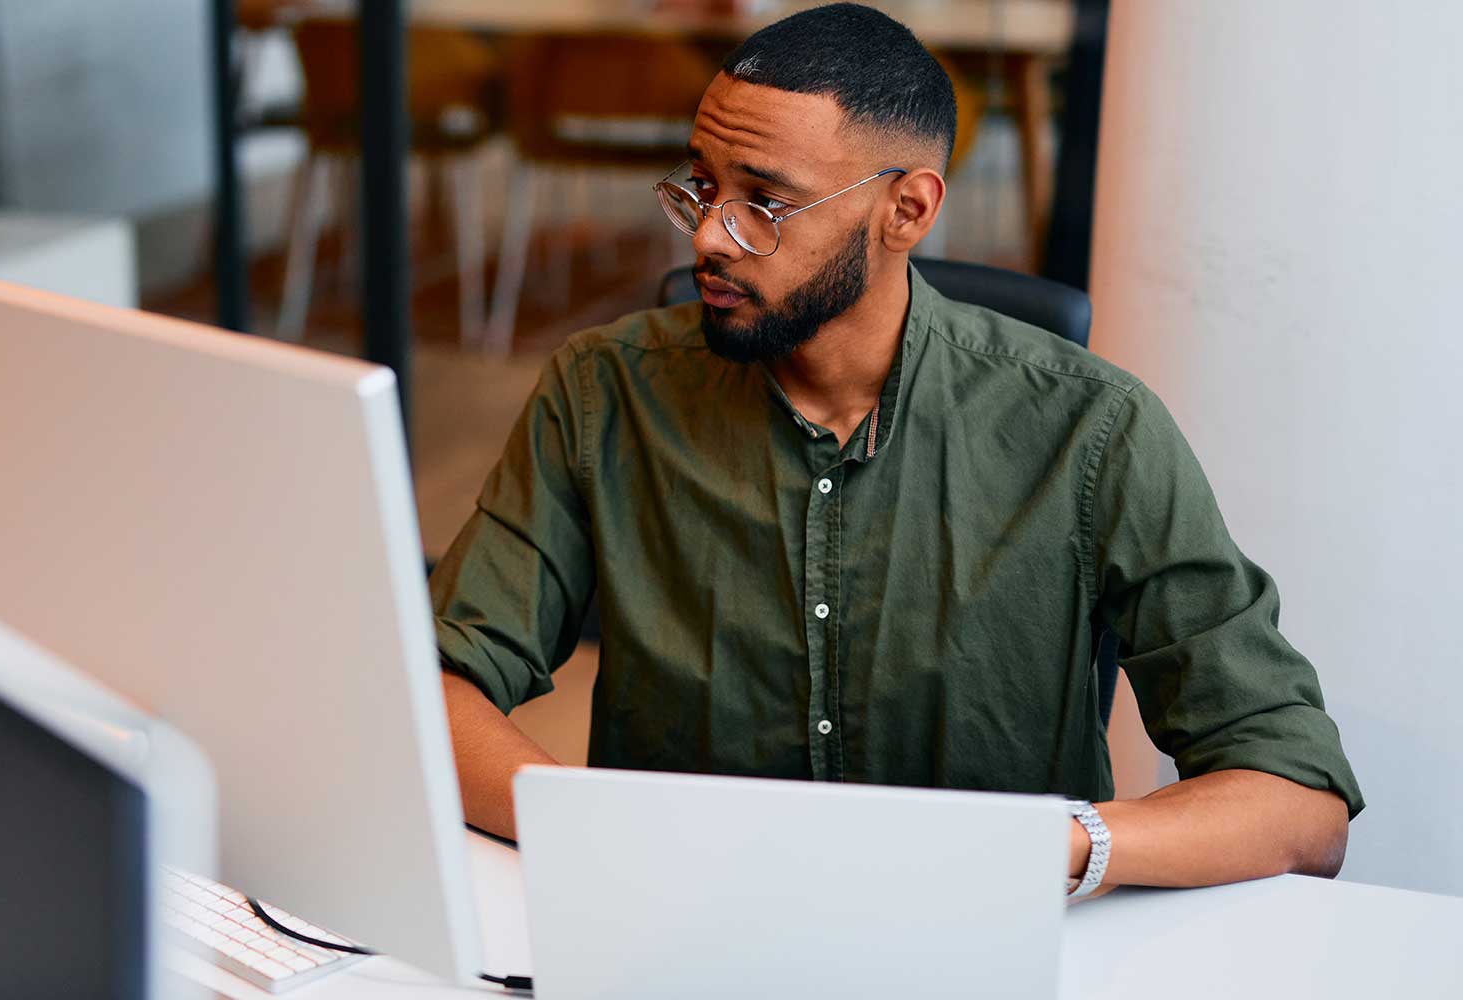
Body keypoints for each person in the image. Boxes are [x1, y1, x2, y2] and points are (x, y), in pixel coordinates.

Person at [430, 2, 1359, 898]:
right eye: (704, 187)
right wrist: (602, 836)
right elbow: (436, 690)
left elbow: (1298, 800)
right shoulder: (604, 392)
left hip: (988, 955)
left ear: (907, 211)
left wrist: (1058, 848)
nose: (711, 234)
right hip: (679, 935)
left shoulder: (1090, 430)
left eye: (765, 204)